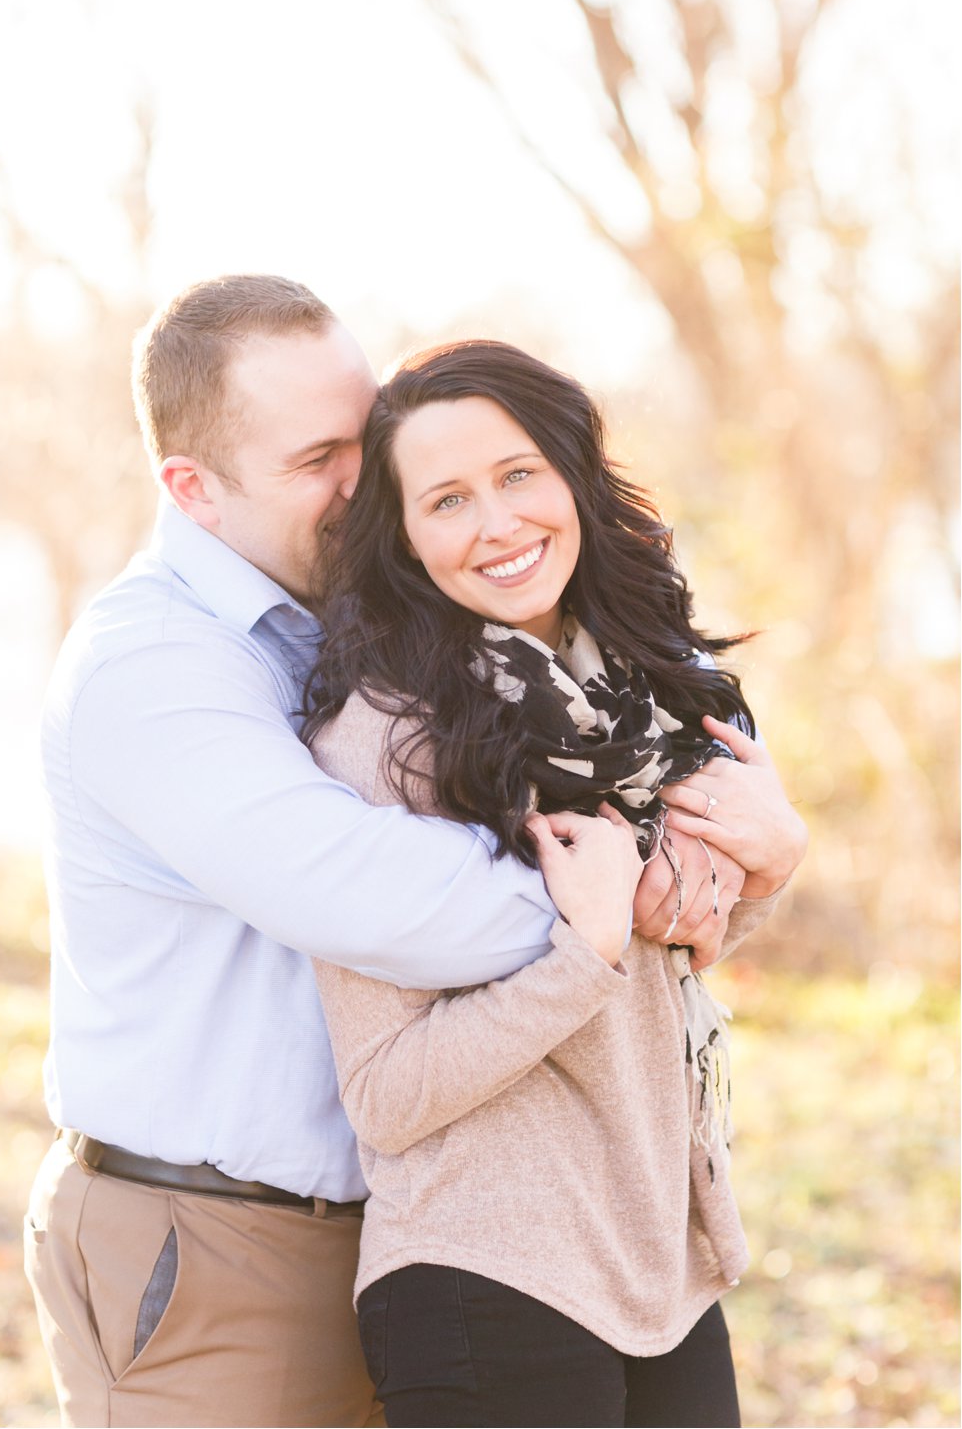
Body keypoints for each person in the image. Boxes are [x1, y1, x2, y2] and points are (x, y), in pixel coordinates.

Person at [25, 275, 758, 1429]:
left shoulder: (383, 628)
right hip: (217, 1239)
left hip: (402, 1219)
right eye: (321, 457)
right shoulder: (153, 667)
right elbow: (372, 893)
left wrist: (727, 863)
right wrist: (632, 892)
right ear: (192, 488)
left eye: (366, 440)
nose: (366, 482)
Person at [303, 339, 807, 1428]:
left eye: (518, 473)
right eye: (447, 499)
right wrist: (582, 956)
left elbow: (674, 953)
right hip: (486, 1271)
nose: (497, 522)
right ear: (405, 536)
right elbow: (388, 1093)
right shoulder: (384, 739)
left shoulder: (642, 687)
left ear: (574, 475)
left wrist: (772, 859)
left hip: (658, 1266)